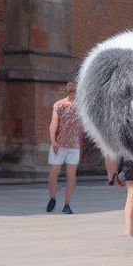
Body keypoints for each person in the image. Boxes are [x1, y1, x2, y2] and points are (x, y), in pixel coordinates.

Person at [46, 82, 83, 214]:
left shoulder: (81, 107)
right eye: (70, 91)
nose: (72, 93)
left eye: (74, 91)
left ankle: (67, 204)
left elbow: (80, 129)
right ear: (67, 91)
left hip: (73, 147)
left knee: (71, 176)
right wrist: (53, 141)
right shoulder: (59, 105)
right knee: (53, 174)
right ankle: (52, 198)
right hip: (59, 145)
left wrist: (80, 146)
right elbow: (53, 123)